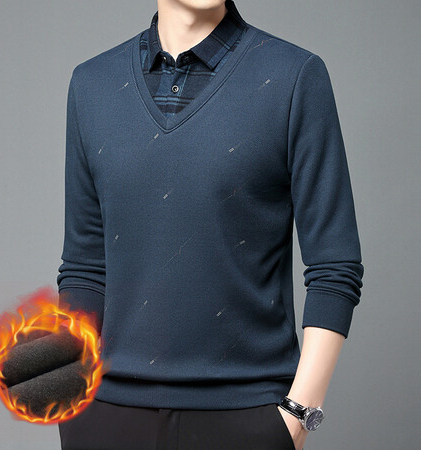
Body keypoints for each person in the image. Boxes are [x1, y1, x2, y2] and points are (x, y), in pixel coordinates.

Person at [56, 0, 364, 449]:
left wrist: (298, 414)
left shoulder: (294, 76)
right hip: (104, 419)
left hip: (246, 416)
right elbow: (85, 267)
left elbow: (335, 266)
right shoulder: (92, 84)